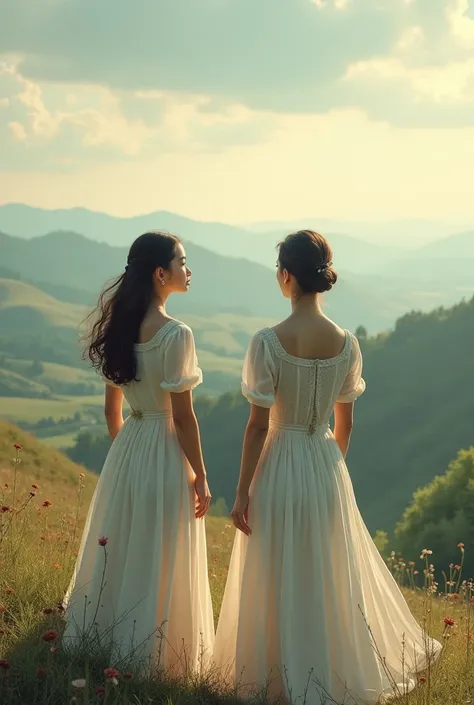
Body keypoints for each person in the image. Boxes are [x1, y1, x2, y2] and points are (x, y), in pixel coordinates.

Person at [214, 230, 441, 704]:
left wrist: (241, 493)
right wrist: (327, 467)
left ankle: (271, 678)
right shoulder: (347, 343)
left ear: (286, 276)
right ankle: (328, 671)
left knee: (274, 567)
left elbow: (257, 427)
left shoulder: (267, 343)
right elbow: (348, 423)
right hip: (324, 462)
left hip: (279, 461)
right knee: (324, 570)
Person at [63, 231, 214, 674]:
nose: (189, 270)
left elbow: (113, 411)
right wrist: (200, 475)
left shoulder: (120, 328)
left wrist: (128, 453)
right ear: (160, 273)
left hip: (130, 446)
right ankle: (157, 656)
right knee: (162, 548)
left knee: (125, 545)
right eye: (183, 262)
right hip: (165, 447)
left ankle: (103, 639)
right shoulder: (176, 335)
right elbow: (184, 418)